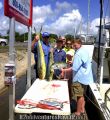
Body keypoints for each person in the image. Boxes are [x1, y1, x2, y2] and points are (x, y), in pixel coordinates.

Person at [60, 38, 93, 116]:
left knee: (79, 95)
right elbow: (82, 62)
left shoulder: (78, 53)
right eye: (73, 44)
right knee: (82, 95)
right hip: (86, 77)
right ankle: (82, 109)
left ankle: (78, 112)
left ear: (80, 44)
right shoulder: (84, 50)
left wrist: (64, 70)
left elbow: (74, 68)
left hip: (79, 77)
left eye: (75, 44)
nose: (74, 46)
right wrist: (73, 62)